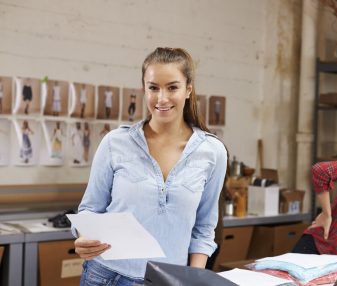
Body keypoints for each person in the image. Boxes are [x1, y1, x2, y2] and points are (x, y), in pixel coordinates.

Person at [73, 47, 227, 285]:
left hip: (168, 279)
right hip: (106, 276)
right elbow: (89, 210)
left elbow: (204, 229)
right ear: (144, 89)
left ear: (188, 89)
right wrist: (84, 238)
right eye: (153, 87)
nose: (161, 98)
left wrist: (193, 279)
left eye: (172, 87)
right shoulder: (115, 142)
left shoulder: (213, 152)